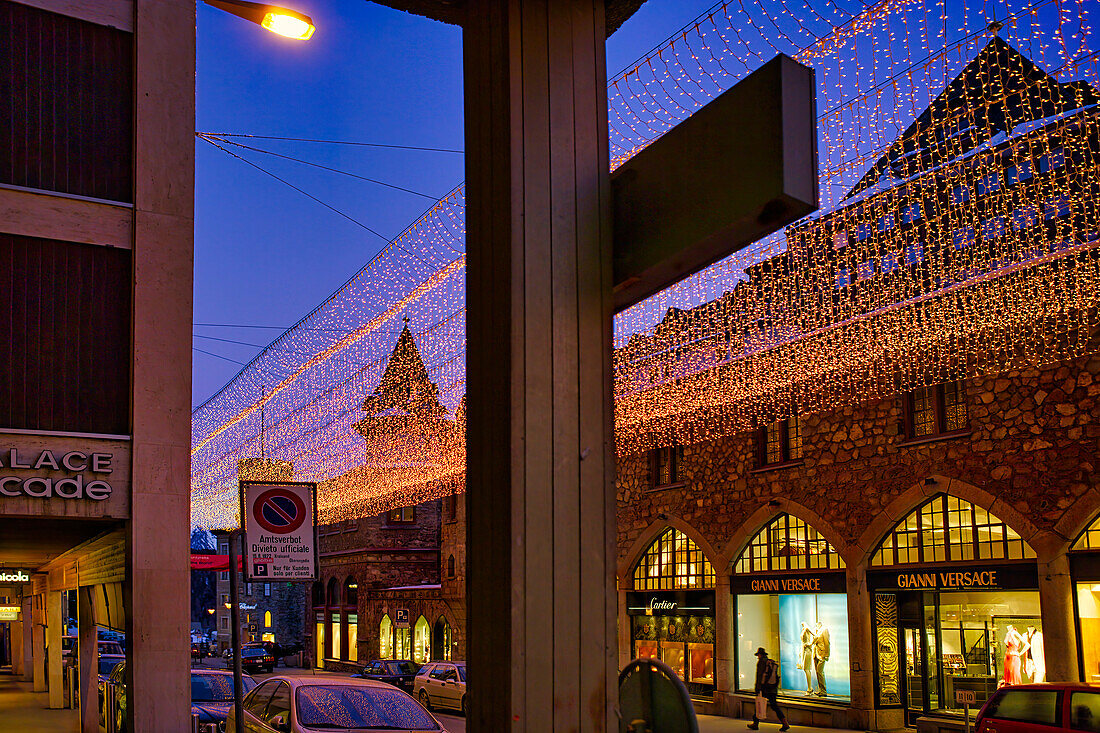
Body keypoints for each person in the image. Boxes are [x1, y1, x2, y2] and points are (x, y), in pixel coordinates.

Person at [749, 647, 789, 732]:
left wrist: (757, 688)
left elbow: (759, 676)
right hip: (772, 688)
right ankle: (784, 722)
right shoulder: (770, 662)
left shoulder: (761, 662)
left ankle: (755, 724)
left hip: (764, 688)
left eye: (758, 655)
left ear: (760, 655)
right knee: (774, 706)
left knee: (758, 704)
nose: (758, 657)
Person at [813, 621, 831, 697]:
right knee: (818, 672)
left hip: (822, 654)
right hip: (816, 654)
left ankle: (823, 691)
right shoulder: (815, 630)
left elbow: (827, 642)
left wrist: (827, 654)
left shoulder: (824, 630)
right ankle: (821, 690)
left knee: (820, 672)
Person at [799, 622, 814, 693]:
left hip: (807, 650)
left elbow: (816, 636)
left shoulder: (807, 628)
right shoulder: (803, 630)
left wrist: (810, 644)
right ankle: (809, 687)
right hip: (803, 650)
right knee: (806, 669)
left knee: (806, 669)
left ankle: (810, 688)